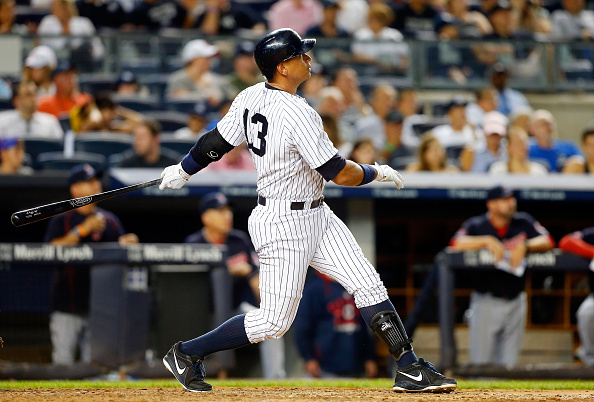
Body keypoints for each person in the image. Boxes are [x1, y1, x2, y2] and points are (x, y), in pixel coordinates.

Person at [158, 28, 457, 393]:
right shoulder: (298, 113)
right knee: (273, 322)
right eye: (301, 55)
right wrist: (376, 172)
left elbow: (214, 143)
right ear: (282, 67)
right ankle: (186, 353)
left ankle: (409, 367)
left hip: (316, 213)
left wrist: (183, 169)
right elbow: (338, 173)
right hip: (283, 221)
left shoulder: (251, 95)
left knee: (367, 283)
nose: (308, 59)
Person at [449, 185, 554, 367]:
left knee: (509, 366)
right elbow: (456, 243)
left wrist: (525, 245)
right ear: (491, 205)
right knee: (481, 364)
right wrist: (486, 240)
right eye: (505, 199)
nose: (511, 203)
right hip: (486, 300)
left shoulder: (523, 222)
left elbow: (548, 241)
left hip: (516, 299)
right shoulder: (477, 224)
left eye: (512, 198)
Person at [44, 164, 138, 364]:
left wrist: (127, 244)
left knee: (95, 366)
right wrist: (82, 230)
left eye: (96, 181)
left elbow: (120, 253)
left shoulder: (110, 221)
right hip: (67, 305)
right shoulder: (62, 219)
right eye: (88, 182)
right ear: (75, 189)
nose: (96, 185)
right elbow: (50, 250)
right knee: (63, 364)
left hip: (100, 308)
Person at [185, 192, 284, 379]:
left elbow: (256, 278)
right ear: (206, 217)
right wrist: (227, 270)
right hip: (202, 313)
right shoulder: (194, 244)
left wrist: (270, 307)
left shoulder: (239, 240)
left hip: (234, 308)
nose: (227, 215)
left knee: (272, 326)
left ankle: (276, 379)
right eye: (220, 211)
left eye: (228, 211)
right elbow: (189, 287)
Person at [294, 271, 378, 378]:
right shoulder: (313, 287)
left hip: (355, 364)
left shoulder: (354, 285)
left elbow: (364, 325)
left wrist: (369, 358)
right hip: (324, 366)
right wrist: (308, 357)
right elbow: (302, 326)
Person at [558, 228, 594, 367]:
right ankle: (591, 365)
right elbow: (566, 242)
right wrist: (592, 251)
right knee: (587, 311)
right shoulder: (591, 235)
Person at [37, 0, 104, 64]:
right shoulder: (47, 22)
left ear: (68, 7)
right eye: (55, 8)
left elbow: (97, 46)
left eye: (61, 7)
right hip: (55, 60)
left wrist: (93, 58)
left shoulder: (84, 23)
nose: (58, 11)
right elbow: (40, 43)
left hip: (82, 61)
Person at [166, 39, 225, 107]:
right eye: (205, 58)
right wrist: (205, 96)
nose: (209, 61)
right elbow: (178, 99)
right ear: (193, 60)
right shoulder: (178, 79)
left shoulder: (214, 78)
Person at [116, 118, 180, 168]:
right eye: (135, 137)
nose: (136, 142)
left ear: (155, 139)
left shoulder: (172, 164)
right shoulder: (127, 164)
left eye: (141, 137)